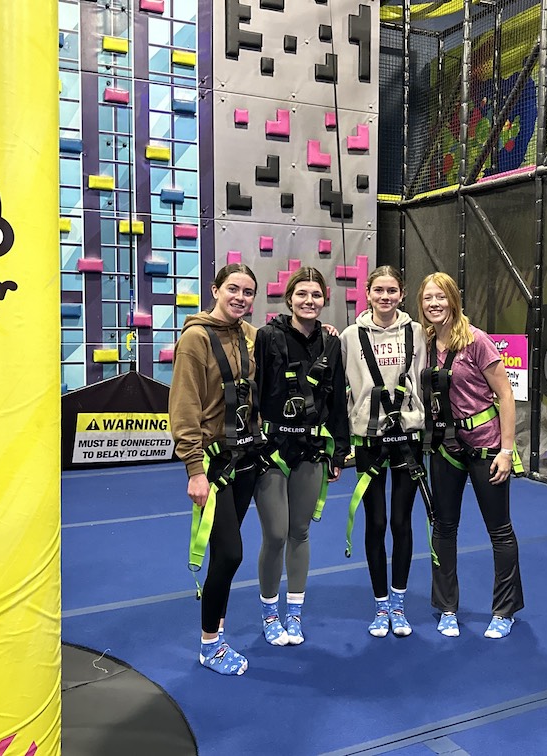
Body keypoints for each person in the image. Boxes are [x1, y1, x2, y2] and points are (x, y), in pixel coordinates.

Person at [417, 271, 523, 639]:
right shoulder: (426, 343)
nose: (434, 304)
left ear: (453, 300)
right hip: (444, 447)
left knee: (499, 530)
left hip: (486, 445)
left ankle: (504, 609)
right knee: (443, 527)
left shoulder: (477, 341)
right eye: (428, 298)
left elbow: (505, 395)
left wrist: (506, 450)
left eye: (440, 297)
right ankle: (446, 606)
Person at [170, 263, 262, 676]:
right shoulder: (195, 338)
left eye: (248, 292)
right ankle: (209, 644)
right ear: (215, 290)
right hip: (213, 461)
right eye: (233, 289)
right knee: (230, 552)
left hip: (246, 458)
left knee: (225, 555)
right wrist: (194, 469)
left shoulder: (249, 335)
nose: (240, 297)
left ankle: (219, 629)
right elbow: (185, 404)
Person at [252, 267, 349, 646]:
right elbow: (255, 391)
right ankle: (269, 611)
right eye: (302, 294)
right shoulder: (267, 336)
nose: (309, 301)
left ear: (325, 299)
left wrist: (340, 449)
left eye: (316, 295)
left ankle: (294, 612)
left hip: (312, 450)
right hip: (273, 449)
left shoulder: (331, 343)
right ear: (289, 298)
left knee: (300, 531)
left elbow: (338, 398)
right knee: (275, 534)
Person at [339, 265, 427, 638]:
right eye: (379, 290)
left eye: (392, 290)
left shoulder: (417, 332)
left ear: (401, 294)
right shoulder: (350, 336)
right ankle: (379, 605)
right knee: (375, 522)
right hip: (369, 438)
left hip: (407, 436)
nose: (386, 297)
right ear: (367, 292)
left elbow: (425, 376)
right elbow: (339, 382)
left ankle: (399, 604)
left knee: (401, 522)